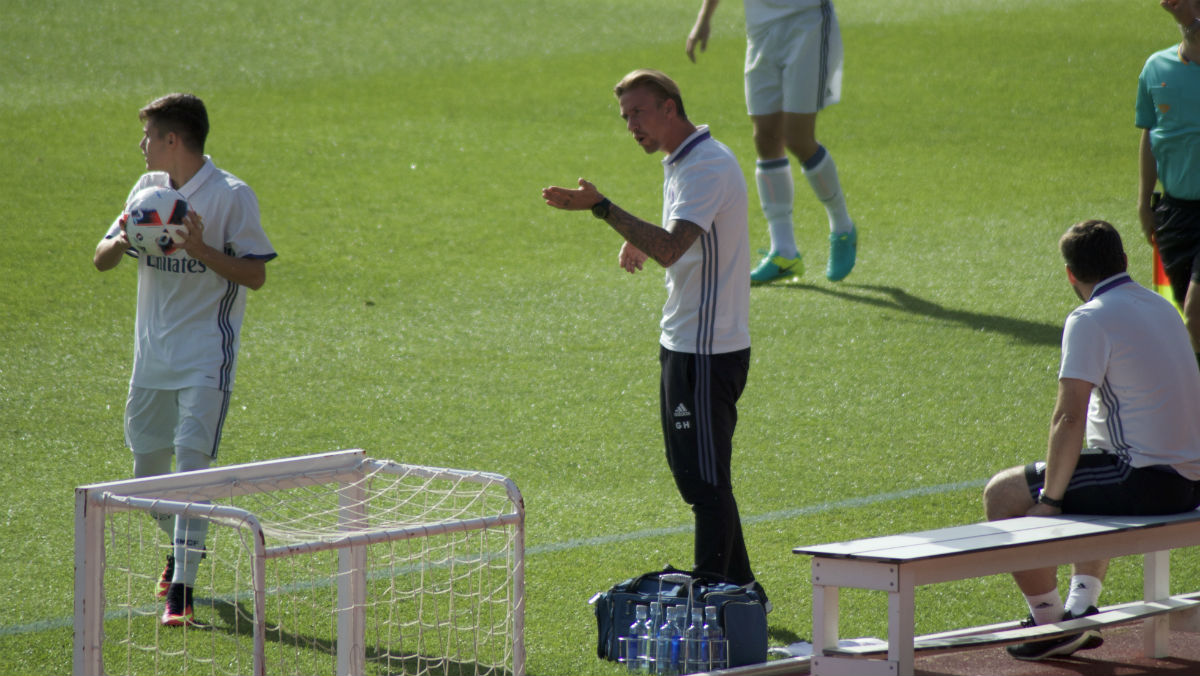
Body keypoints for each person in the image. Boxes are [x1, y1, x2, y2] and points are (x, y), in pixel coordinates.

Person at [541, 69, 767, 606]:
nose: (631, 126)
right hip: (685, 344)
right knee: (698, 477)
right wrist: (637, 240)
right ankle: (742, 594)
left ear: (670, 107)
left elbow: (672, 248)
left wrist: (603, 210)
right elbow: (682, 241)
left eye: (639, 113)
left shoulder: (707, 164)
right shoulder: (684, 160)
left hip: (709, 352)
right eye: (625, 118)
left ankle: (712, 605)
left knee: (705, 486)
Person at [93, 93, 276, 627]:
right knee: (147, 477)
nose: (142, 145)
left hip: (204, 355)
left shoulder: (230, 196)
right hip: (152, 356)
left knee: (191, 466)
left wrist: (200, 250)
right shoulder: (146, 191)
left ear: (173, 140)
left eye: (148, 135)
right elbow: (101, 259)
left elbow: (256, 275)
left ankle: (183, 590)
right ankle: (182, 543)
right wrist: (125, 236)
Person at [982, 220, 1200, 662]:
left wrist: (1052, 499)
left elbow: (1068, 416)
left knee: (1002, 493)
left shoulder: (1089, 318)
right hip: (1189, 478)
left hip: (1150, 483)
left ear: (1070, 274)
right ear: (1123, 261)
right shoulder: (1161, 307)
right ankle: (1081, 607)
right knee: (1098, 464)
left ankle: (1048, 624)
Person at [686, 0, 856, 284]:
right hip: (761, 28)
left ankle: (842, 227)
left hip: (807, 22)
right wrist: (704, 19)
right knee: (765, 136)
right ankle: (784, 252)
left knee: (798, 138)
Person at [1137, 0, 1200, 366]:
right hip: (1175, 212)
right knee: (1183, 325)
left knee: (1195, 312)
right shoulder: (1155, 67)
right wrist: (1144, 202)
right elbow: (1150, 135)